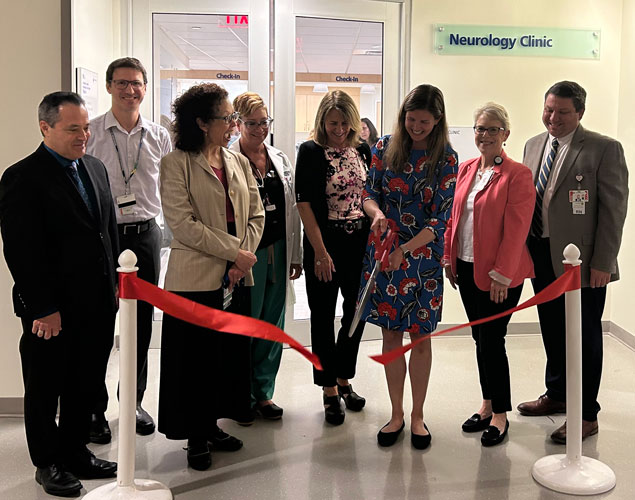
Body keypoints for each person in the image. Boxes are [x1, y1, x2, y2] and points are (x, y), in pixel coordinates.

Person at [0, 92, 118, 497]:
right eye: (73, 129)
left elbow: (107, 234)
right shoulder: (22, 177)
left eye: (85, 127)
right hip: (51, 309)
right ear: (45, 128)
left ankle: (74, 451)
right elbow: (20, 250)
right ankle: (47, 462)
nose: (83, 135)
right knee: (45, 385)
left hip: (97, 304)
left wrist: (114, 287)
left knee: (84, 383)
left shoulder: (95, 168)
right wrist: (44, 307)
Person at [158, 83, 264, 471]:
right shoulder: (176, 163)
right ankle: (196, 435)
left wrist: (241, 261)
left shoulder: (235, 161)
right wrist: (234, 253)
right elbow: (182, 225)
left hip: (237, 277)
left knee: (227, 358)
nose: (233, 124)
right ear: (202, 122)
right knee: (194, 361)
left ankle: (215, 424)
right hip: (194, 280)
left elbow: (256, 214)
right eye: (226, 117)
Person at [518, 81, 629, 443]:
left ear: (579, 112)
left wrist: (603, 262)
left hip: (582, 263)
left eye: (563, 112)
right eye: (549, 110)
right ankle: (558, 395)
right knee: (552, 329)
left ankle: (587, 414)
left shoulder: (603, 148)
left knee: (583, 335)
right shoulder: (533, 145)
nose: (554, 118)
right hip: (541, 254)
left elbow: (614, 212)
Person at [359, 84, 457, 449]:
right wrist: (378, 214)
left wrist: (407, 250)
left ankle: (417, 416)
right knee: (390, 337)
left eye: (424, 122)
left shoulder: (446, 158)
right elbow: (368, 194)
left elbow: (440, 221)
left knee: (420, 338)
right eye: (411, 120)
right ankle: (396, 413)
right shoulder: (384, 147)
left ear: (438, 120)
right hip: (385, 257)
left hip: (423, 264)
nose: (416, 127)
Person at [87, 57, 172, 443]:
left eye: (136, 83)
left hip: (146, 235)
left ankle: (133, 403)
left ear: (144, 87)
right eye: (121, 83)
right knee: (100, 321)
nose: (129, 90)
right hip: (104, 236)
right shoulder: (90, 133)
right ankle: (94, 408)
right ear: (109, 87)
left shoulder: (159, 135)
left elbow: (169, 188)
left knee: (140, 322)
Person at [443, 103, 535, 447]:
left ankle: (500, 414)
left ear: (506, 135)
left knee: (493, 341)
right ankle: (487, 403)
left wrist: (502, 274)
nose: (485, 135)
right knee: (480, 339)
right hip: (466, 267)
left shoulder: (517, 175)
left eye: (493, 129)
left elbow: (516, 230)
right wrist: (449, 258)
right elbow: (454, 218)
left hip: (500, 275)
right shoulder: (466, 168)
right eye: (480, 128)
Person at [295, 90, 372, 426]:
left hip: (360, 243)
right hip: (324, 243)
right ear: (322, 122)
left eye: (344, 123)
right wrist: (320, 252)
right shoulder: (310, 151)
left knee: (356, 314)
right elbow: (304, 205)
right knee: (323, 317)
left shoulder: (363, 150)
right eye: (332, 123)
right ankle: (328, 388)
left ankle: (343, 378)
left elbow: (370, 194)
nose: (338, 129)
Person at [230, 92, 302, 421]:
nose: (260, 129)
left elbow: (293, 210)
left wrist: (296, 254)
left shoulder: (279, 158)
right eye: (252, 123)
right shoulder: (229, 159)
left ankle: (264, 393)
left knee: (273, 324)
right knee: (246, 323)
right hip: (247, 254)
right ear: (237, 123)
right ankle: (239, 394)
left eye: (264, 122)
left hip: (277, 249)